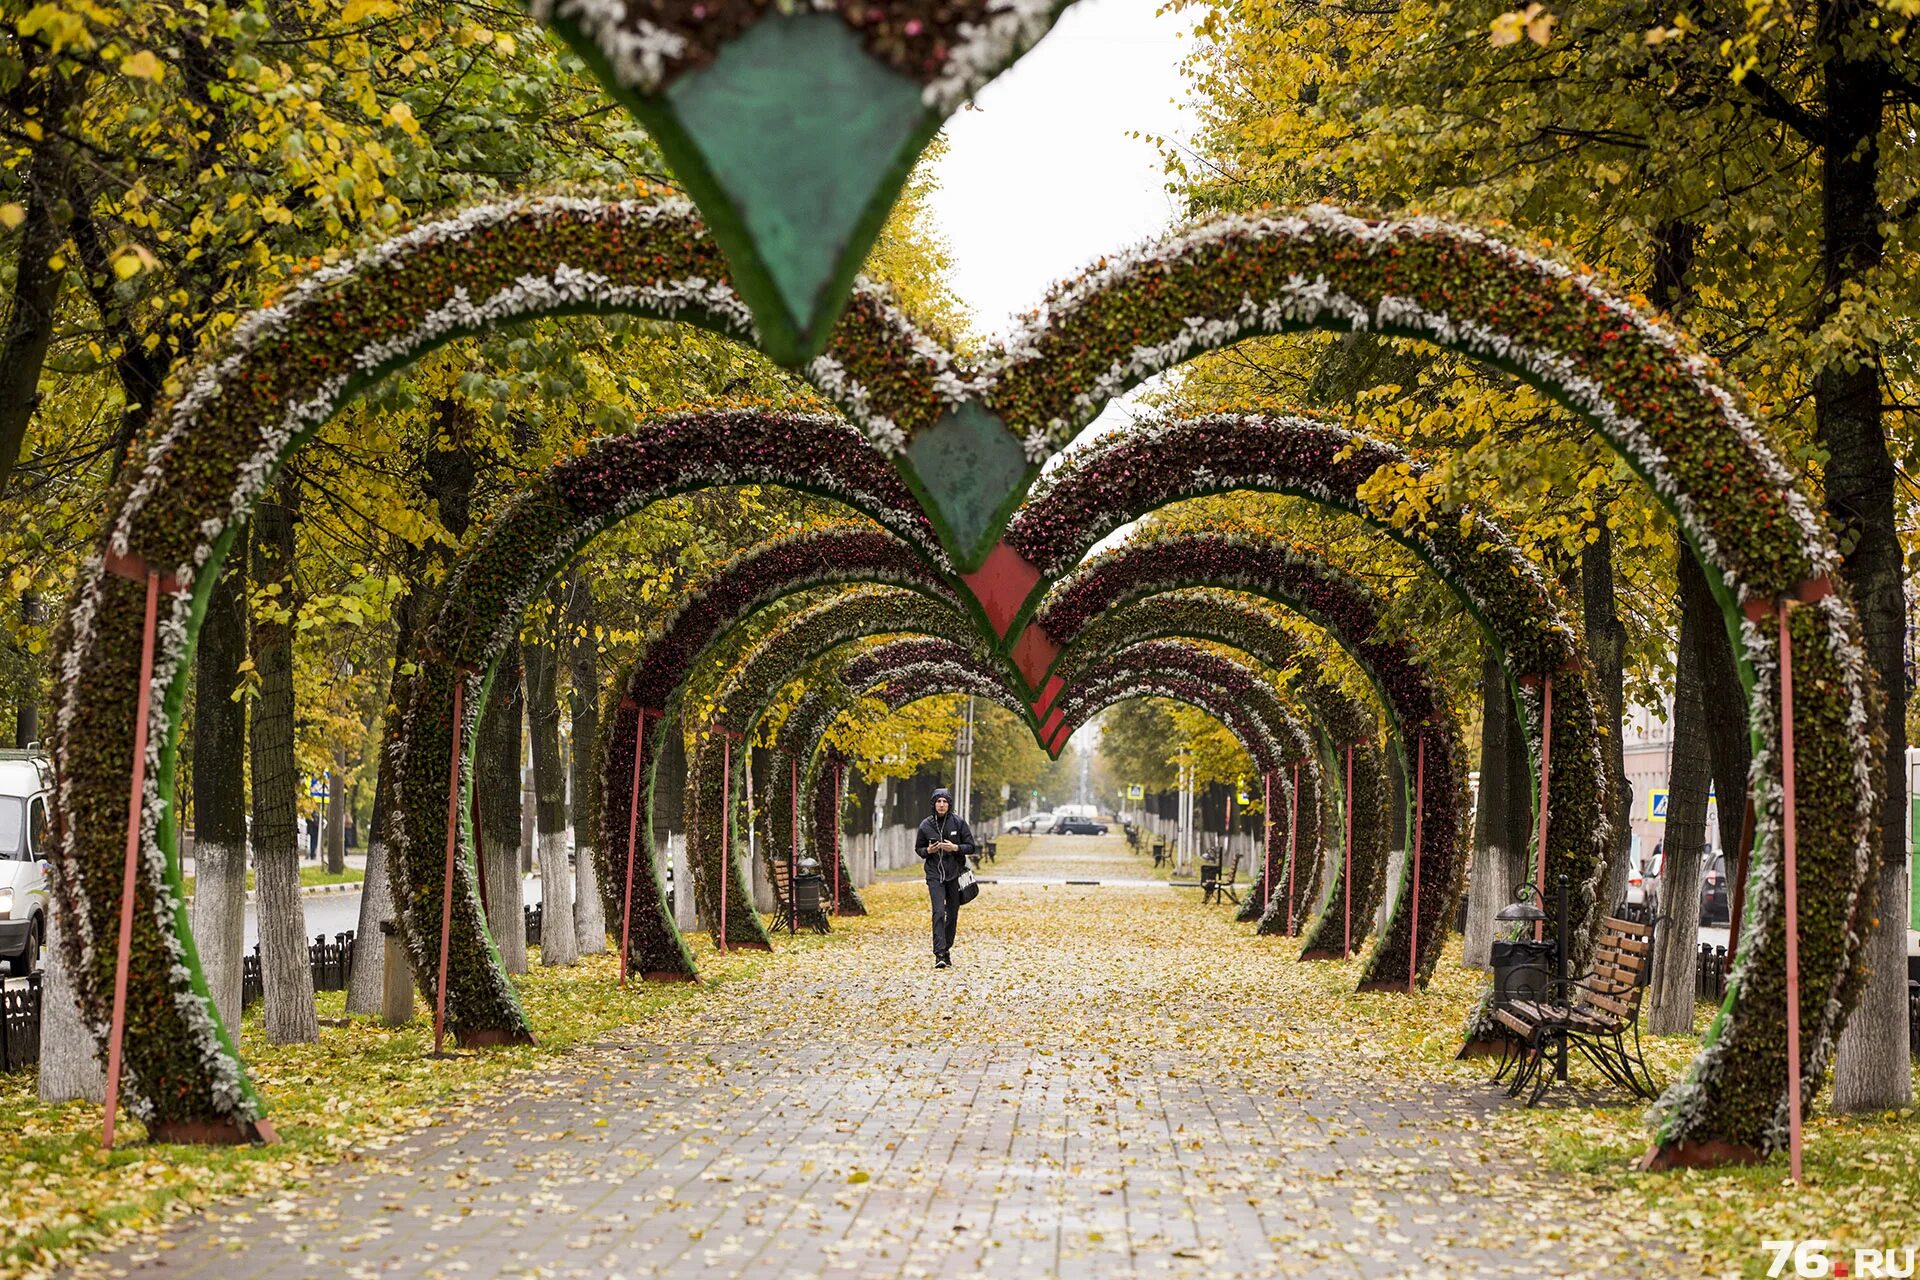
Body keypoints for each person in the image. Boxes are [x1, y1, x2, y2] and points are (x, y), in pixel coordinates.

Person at [916, 787, 974, 969]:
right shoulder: (926, 825)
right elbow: (918, 848)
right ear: (933, 804)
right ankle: (939, 953)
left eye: (945, 801)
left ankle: (946, 948)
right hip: (934, 875)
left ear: (949, 804)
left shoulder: (958, 823)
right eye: (938, 801)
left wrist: (955, 848)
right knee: (939, 912)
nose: (941, 805)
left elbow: (971, 846)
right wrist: (928, 851)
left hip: (954, 875)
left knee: (952, 915)